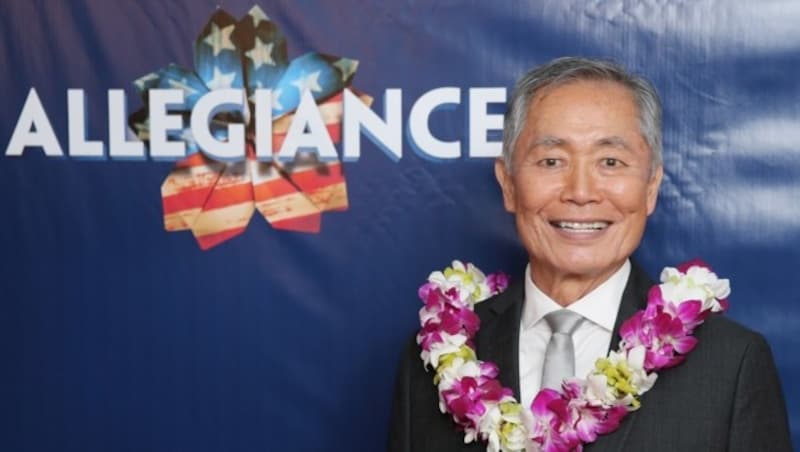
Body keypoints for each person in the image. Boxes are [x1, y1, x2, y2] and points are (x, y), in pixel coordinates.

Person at [388, 57, 792, 451]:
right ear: (508, 183)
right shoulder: (439, 356)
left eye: (610, 162)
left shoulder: (730, 364)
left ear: (651, 187)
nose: (580, 192)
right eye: (551, 161)